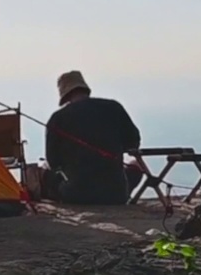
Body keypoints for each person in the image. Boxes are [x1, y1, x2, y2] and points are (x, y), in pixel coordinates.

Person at [42, 70, 142, 205]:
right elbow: (133, 142)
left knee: (43, 172)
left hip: (75, 195)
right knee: (135, 165)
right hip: (116, 194)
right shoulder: (114, 107)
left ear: (65, 95)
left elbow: (53, 161)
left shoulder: (57, 118)